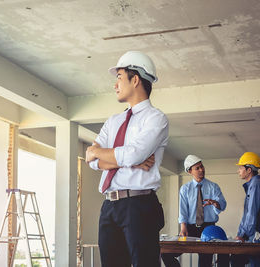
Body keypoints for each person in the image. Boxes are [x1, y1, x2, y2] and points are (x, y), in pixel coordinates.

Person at [85, 51, 168, 267]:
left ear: (136, 79)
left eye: (119, 77)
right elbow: (89, 157)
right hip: (109, 206)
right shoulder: (113, 121)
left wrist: (125, 157)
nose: (115, 85)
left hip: (139, 205)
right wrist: (129, 159)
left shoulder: (156, 119)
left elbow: (132, 154)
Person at [161, 155, 228, 267]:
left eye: (202, 166)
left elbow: (222, 204)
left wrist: (216, 204)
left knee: (205, 263)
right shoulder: (185, 189)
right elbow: (182, 210)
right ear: (190, 171)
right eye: (197, 168)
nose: (201, 170)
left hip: (208, 229)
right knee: (166, 253)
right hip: (190, 229)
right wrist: (183, 227)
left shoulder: (213, 187)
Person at [230, 152, 260, 267]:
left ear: (249, 170)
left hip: (258, 237)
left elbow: (252, 214)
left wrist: (243, 235)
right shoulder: (253, 185)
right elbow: (247, 215)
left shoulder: (255, 185)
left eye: (240, 168)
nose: (238, 171)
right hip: (255, 236)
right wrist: (240, 234)